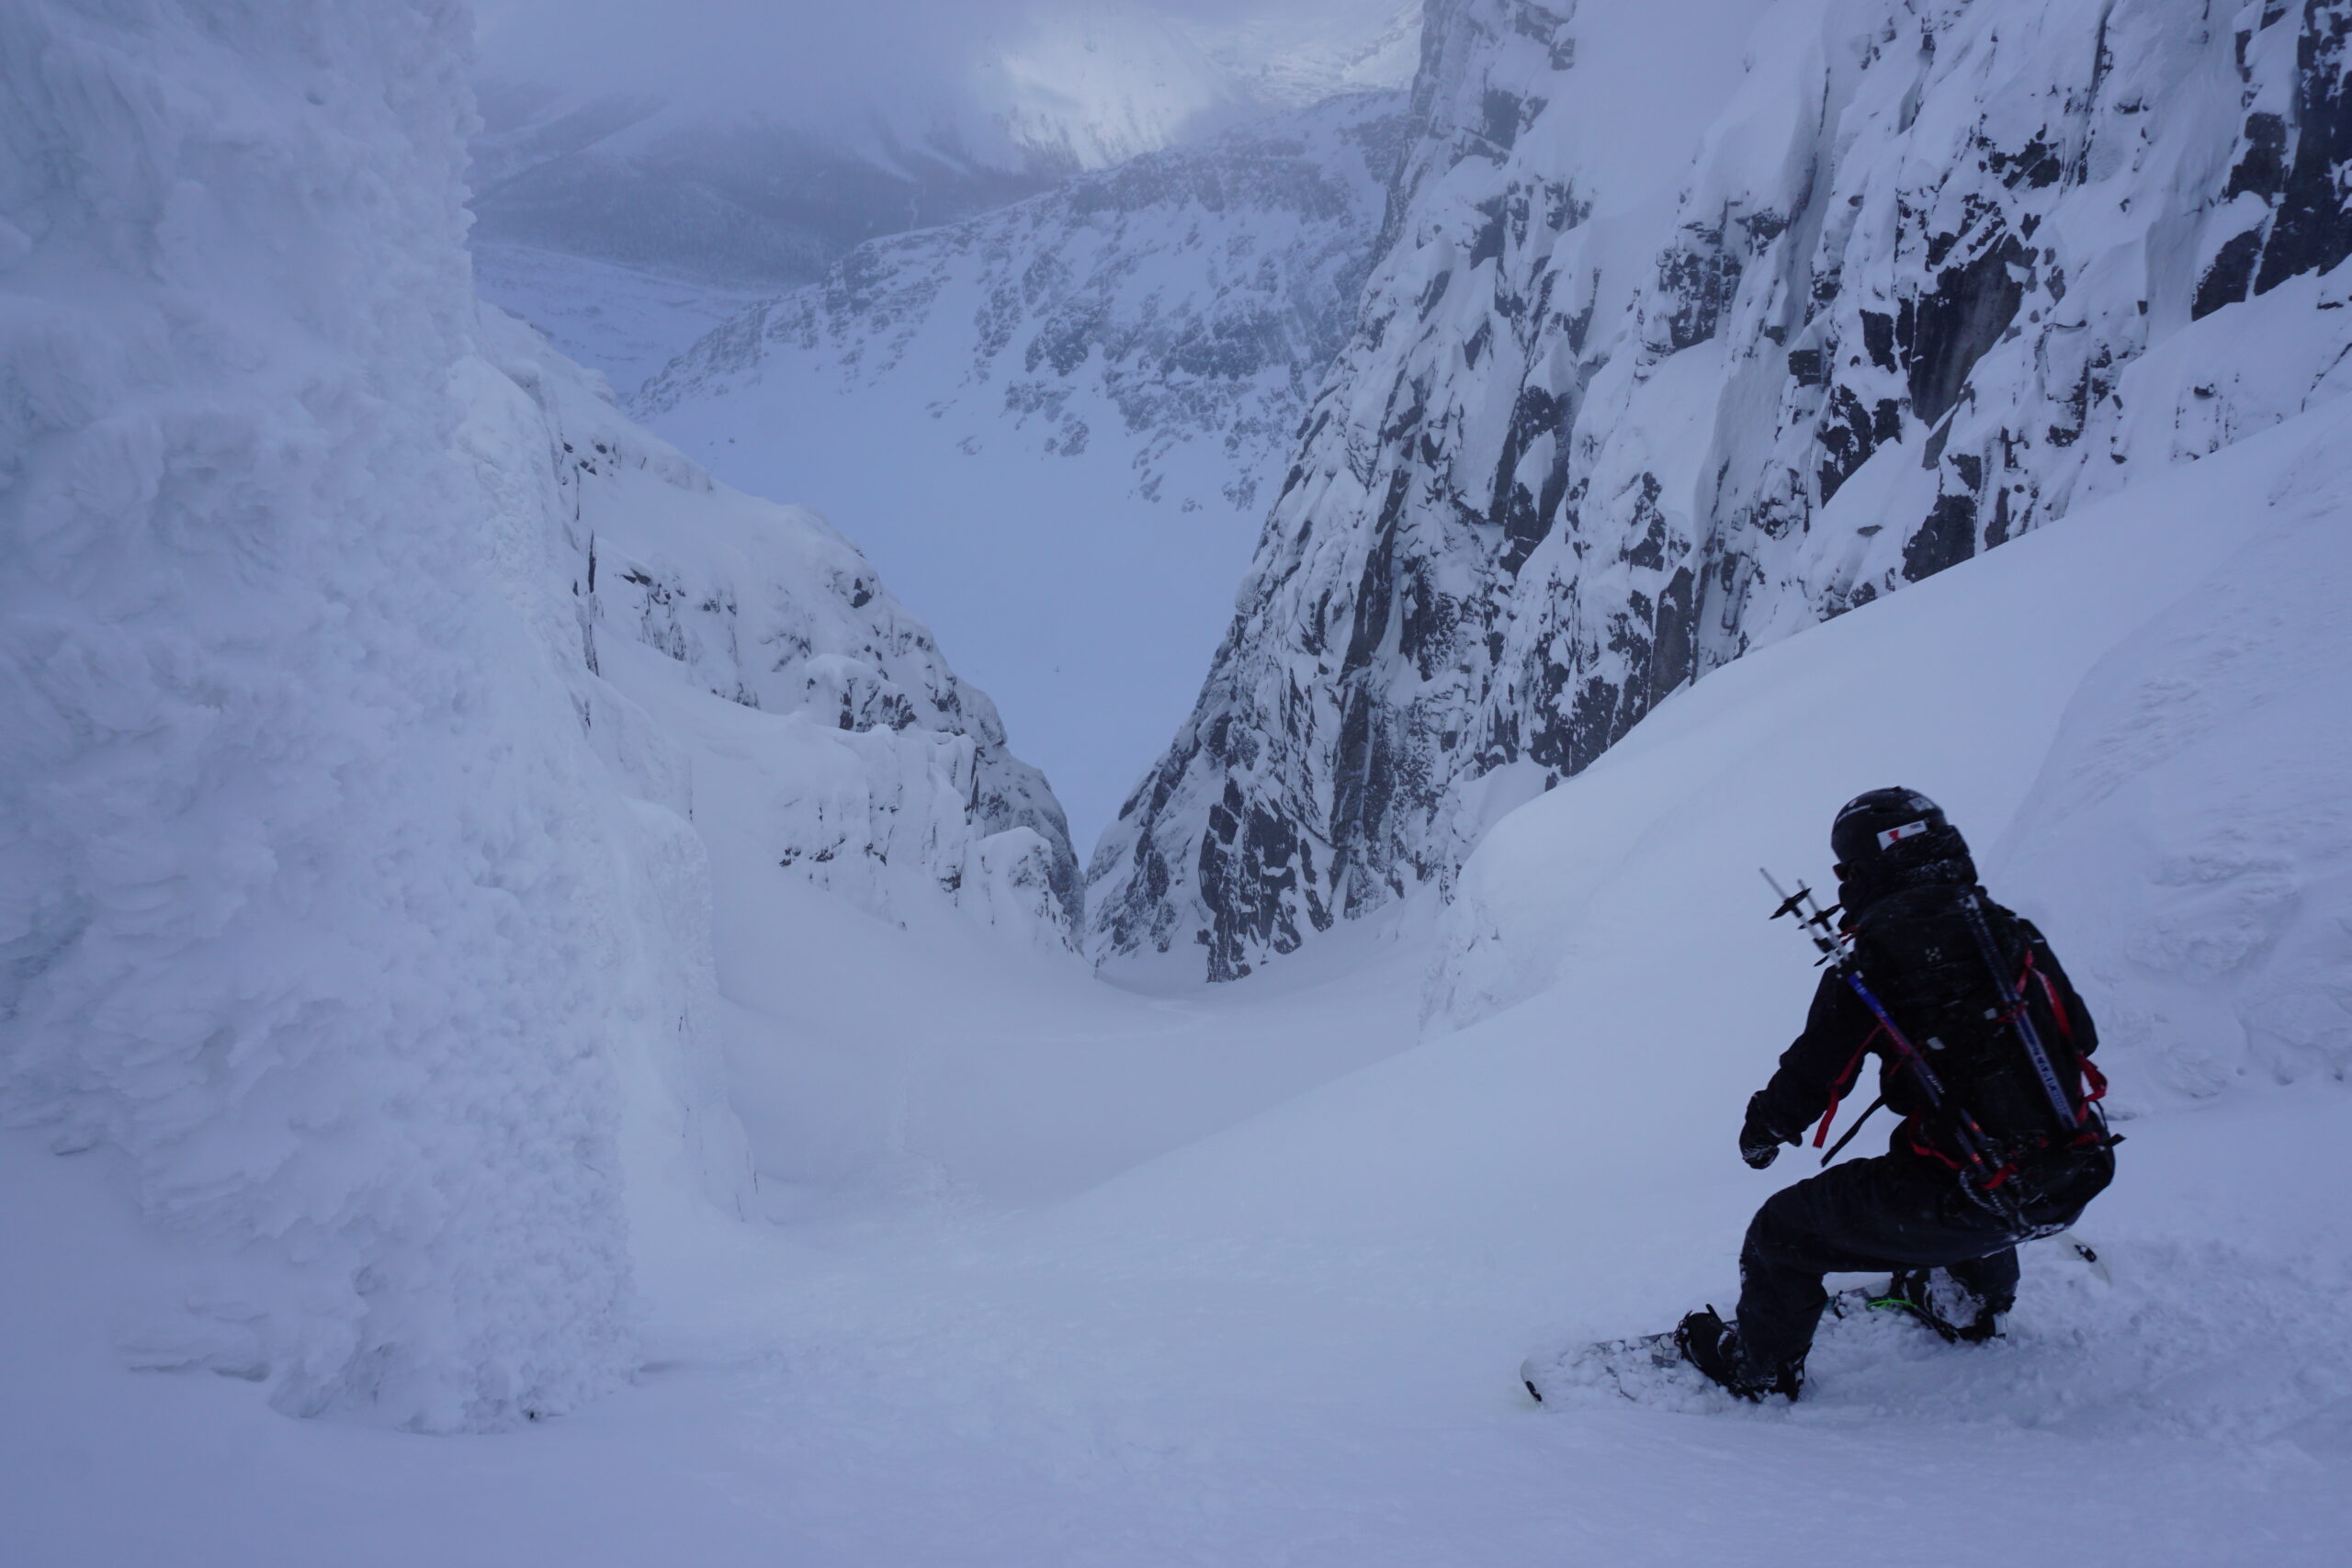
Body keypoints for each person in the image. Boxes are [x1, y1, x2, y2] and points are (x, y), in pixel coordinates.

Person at [1676, 788, 2116, 1401]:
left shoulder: (1871, 966)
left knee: (1782, 1232)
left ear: (1865, 866)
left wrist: (1762, 1132)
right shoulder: (2009, 932)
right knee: (1954, 1155)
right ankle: (1976, 1297)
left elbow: (1812, 1077)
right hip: (2075, 1170)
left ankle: (1761, 1368)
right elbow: (2082, 1035)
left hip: (1972, 1198)